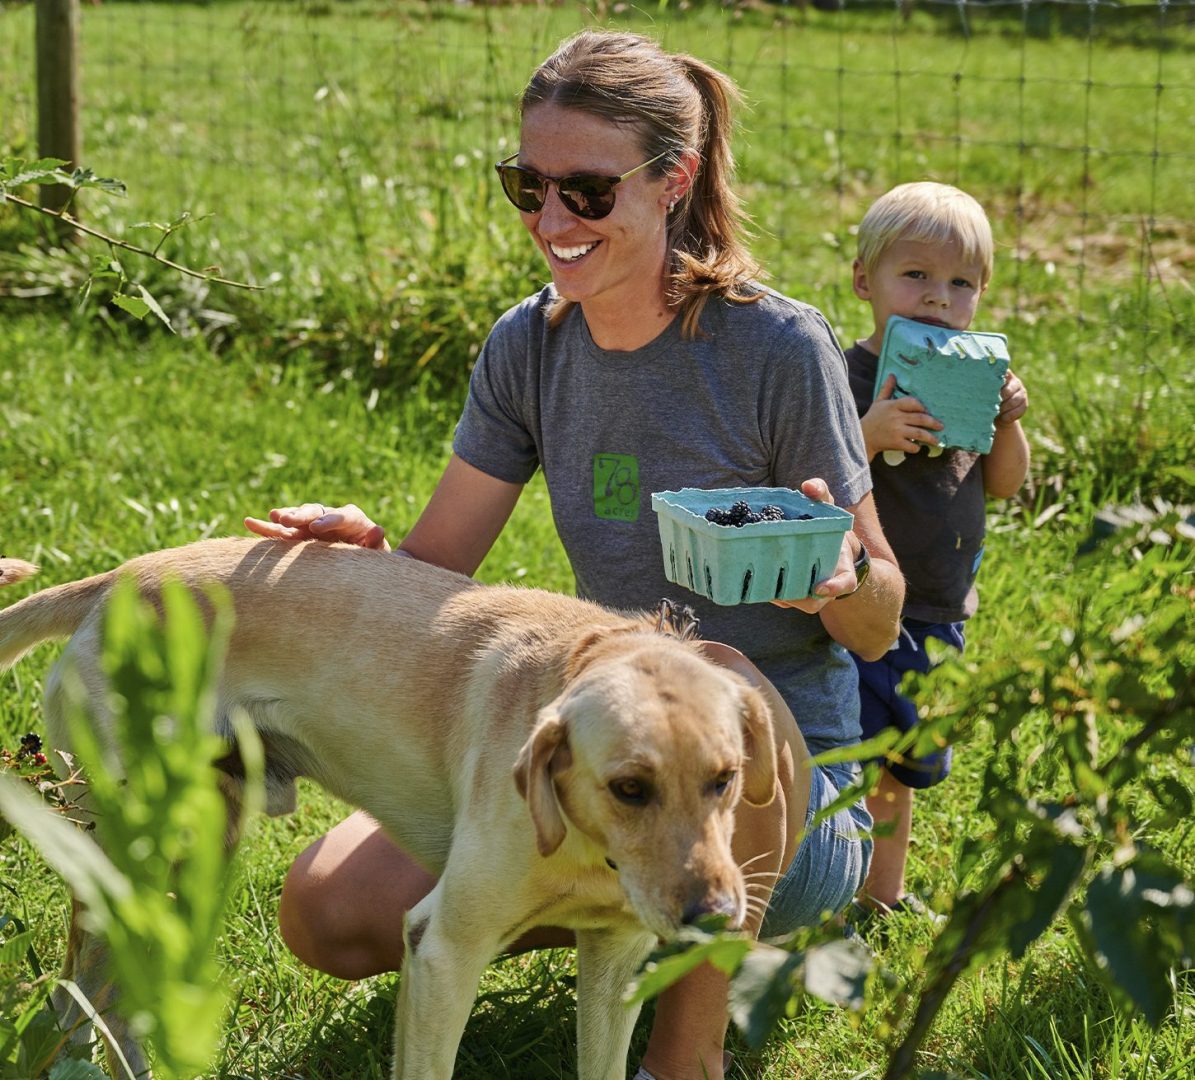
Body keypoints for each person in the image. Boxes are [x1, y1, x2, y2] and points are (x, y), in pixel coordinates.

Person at [246, 29, 904, 1080]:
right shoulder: (531, 343)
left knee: (721, 698)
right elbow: (436, 571)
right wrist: (369, 560)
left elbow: (882, 622)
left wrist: (839, 579)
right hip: (614, 759)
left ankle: (683, 1054)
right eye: (528, 185)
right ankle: (613, 905)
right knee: (327, 915)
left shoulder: (777, 349)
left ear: (671, 180)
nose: (552, 221)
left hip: (781, 786)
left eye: (587, 193)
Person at [843, 181, 1030, 919]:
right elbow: (815, 466)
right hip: (856, 603)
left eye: (959, 283)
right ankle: (828, 891)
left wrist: (1007, 420)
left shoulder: (974, 376)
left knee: (903, 764)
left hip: (936, 612)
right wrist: (869, 431)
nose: (936, 299)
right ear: (865, 280)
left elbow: (1007, 485)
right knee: (849, 756)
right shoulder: (843, 374)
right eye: (913, 275)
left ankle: (881, 896)